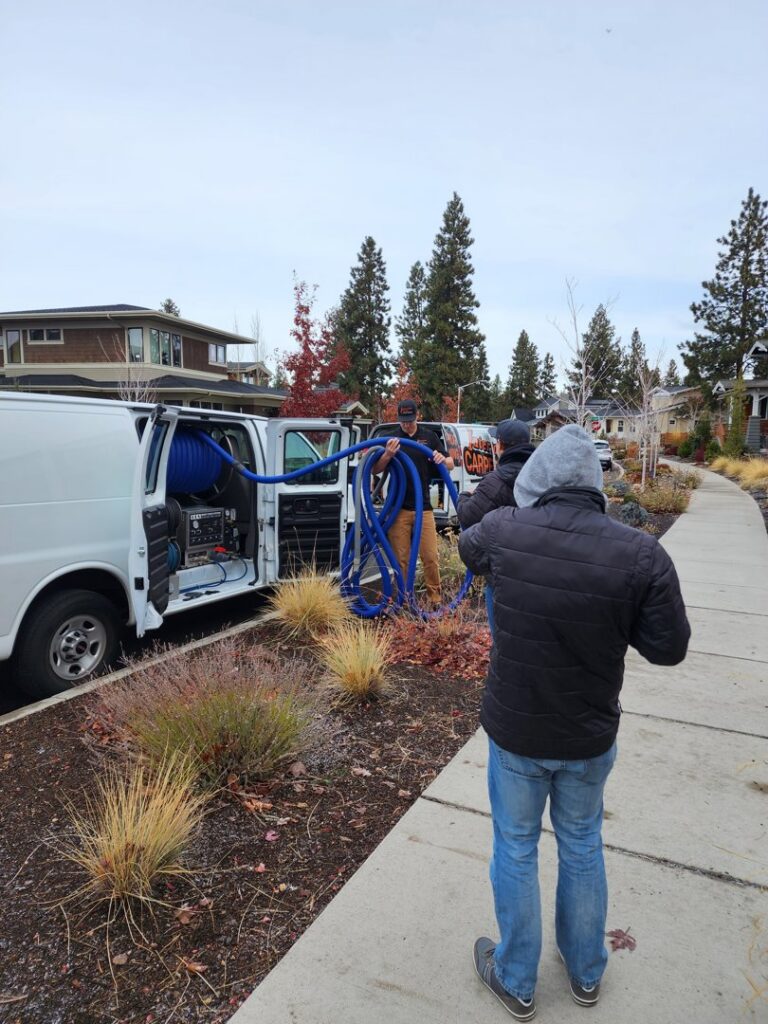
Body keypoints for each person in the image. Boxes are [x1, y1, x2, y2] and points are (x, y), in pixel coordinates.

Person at [458, 425, 690, 1020]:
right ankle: (586, 972)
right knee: (582, 844)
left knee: (515, 846)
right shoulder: (641, 554)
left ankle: (516, 979)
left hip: (516, 732)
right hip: (588, 735)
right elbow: (668, 649)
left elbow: (468, 543)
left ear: (539, 478)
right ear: (594, 484)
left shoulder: (505, 530)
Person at [372, 399, 454, 608]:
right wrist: (388, 455)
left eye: (409, 420)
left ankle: (434, 600)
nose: (406, 425)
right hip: (398, 508)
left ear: (417, 416)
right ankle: (405, 600)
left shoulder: (429, 437)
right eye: (403, 421)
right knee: (402, 560)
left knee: (430, 556)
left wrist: (441, 459)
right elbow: (375, 470)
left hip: (423, 507)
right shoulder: (389, 438)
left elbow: (451, 463)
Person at [456, 419, 535, 627]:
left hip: (501, 573)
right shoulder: (540, 477)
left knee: (502, 638)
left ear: (500, 445)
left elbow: (468, 516)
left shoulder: (495, 482)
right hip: (536, 572)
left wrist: (465, 495)